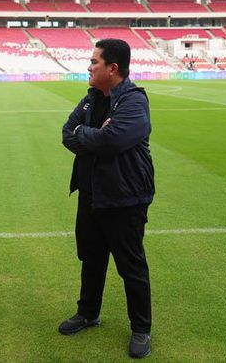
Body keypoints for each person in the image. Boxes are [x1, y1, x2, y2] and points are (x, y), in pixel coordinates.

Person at [60, 38, 155, 359]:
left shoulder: (134, 101)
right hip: (90, 194)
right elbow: (66, 134)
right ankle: (88, 313)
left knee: (131, 266)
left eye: (94, 62)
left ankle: (141, 329)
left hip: (125, 198)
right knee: (91, 257)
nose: (88, 67)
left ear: (112, 68)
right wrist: (93, 135)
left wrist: (87, 136)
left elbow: (114, 141)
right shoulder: (89, 101)